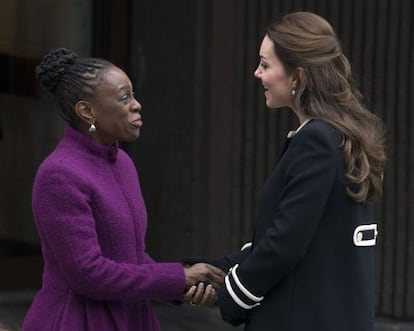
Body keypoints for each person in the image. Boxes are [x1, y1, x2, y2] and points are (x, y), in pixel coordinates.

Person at [183, 11, 386, 331]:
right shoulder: (339, 135)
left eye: (265, 65)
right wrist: (212, 269)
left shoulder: (316, 141)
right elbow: (298, 238)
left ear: (297, 77)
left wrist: (231, 296)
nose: (256, 73)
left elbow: (284, 243)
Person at [23, 48, 225, 331]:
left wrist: (180, 286)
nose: (137, 105)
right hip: (79, 321)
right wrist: (177, 277)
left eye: (133, 95)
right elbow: (87, 274)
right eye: (123, 98)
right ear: (86, 111)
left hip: (133, 316)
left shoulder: (124, 163)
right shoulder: (58, 174)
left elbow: (129, 254)